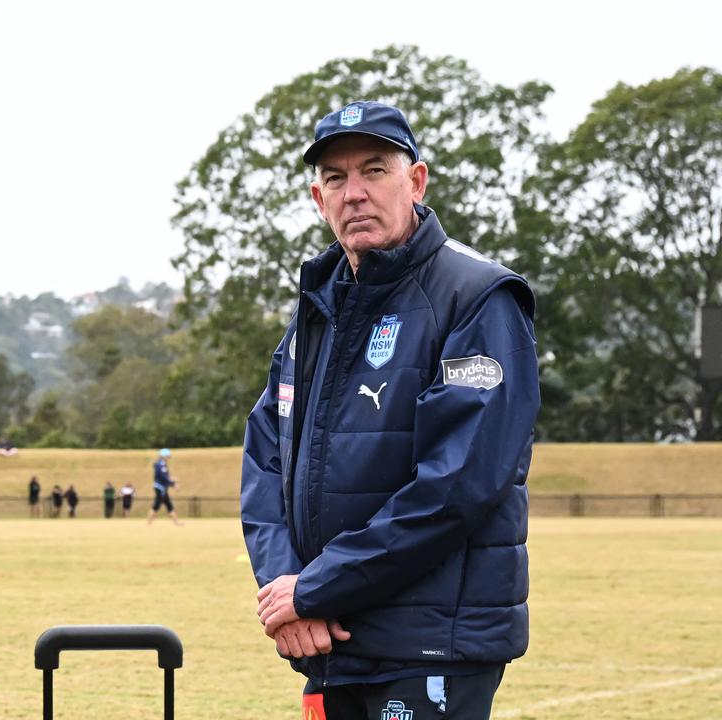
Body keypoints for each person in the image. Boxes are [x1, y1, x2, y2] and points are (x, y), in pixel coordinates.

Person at [241, 101, 539, 720]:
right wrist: (284, 588)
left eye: (374, 170)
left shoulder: (476, 297)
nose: (354, 193)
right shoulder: (316, 311)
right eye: (335, 177)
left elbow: (458, 483)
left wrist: (317, 588)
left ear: (417, 180)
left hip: (430, 649)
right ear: (317, 199)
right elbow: (267, 455)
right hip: (327, 640)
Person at [146, 448, 182, 525]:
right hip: (160, 488)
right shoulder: (161, 465)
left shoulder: (161, 464)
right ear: (164, 456)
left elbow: (165, 477)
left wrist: (171, 481)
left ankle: (176, 523)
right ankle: (148, 523)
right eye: (168, 456)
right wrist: (173, 483)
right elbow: (164, 477)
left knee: (169, 505)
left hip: (162, 488)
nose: (169, 458)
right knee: (156, 505)